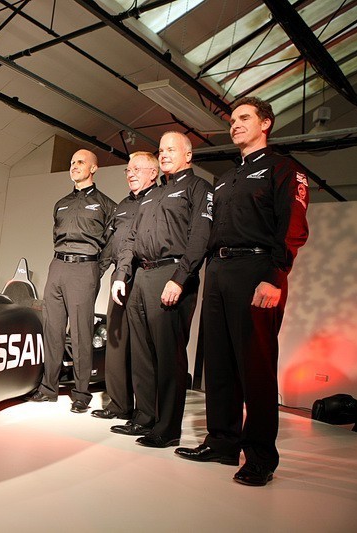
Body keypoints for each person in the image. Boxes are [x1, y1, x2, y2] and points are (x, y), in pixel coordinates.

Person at [175, 97, 309, 486]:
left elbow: (293, 225)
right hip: (219, 271)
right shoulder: (226, 177)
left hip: (257, 270)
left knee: (256, 366)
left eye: (244, 118)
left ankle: (261, 456)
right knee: (218, 362)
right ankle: (221, 442)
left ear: (265, 123)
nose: (234, 124)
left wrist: (275, 274)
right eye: (232, 120)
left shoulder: (283, 168)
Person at [110, 134, 213, 448]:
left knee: (169, 356)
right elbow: (131, 239)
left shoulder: (198, 188)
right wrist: (122, 275)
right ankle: (145, 417)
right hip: (142, 275)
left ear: (188, 154)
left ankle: (167, 429)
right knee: (141, 353)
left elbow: (201, 236)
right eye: (161, 149)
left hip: (172, 273)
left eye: (171, 149)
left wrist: (180, 278)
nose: (164, 154)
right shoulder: (152, 195)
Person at [28, 149, 116, 413]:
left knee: (80, 333)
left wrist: (96, 270)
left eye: (80, 162)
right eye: (72, 162)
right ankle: (49, 388)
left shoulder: (105, 204)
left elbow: (111, 243)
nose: (74, 166)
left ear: (93, 168)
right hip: (58, 266)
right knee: (52, 329)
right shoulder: (61, 203)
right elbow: (56, 235)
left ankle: (81, 394)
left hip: (84, 269)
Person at [91, 153, 159, 420]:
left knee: (144, 347)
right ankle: (119, 405)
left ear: (153, 172)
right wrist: (97, 274)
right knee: (116, 339)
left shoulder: (159, 199)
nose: (130, 174)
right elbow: (111, 244)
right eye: (128, 170)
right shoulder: (122, 205)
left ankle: (146, 411)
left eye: (136, 169)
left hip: (145, 274)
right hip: (119, 279)